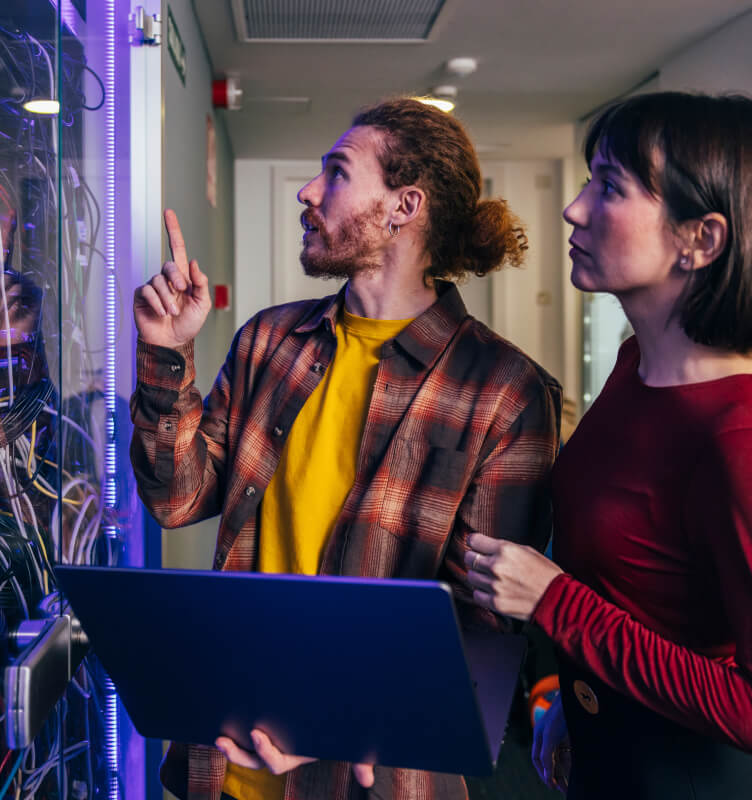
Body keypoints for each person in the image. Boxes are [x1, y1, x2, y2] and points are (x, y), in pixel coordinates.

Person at [130, 97, 562, 800]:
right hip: (224, 765)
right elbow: (176, 500)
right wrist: (166, 354)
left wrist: (328, 714)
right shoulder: (269, 343)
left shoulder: (505, 391)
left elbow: (486, 628)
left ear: (404, 206)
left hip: (376, 777)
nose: (308, 191)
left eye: (335, 172)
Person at [465, 91, 752, 799]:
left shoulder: (736, 438)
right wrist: (577, 694)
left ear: (701, 240)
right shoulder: (636, 364)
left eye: (610, 188)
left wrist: (556, 602)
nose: (574, 208)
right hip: (607, 747)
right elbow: (643, 592)